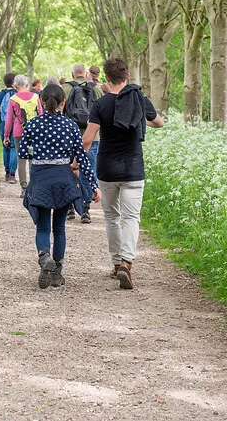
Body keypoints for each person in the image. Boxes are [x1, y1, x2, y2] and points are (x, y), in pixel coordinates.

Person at [82, 57, 164, 290]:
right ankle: (127, 261)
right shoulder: (139, 99)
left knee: (111, 217)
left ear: (106, 79)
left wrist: (76, 163)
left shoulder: (100, 104)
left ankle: (117, 264)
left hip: (107, 168)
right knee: (131, 217)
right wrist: (138, 119)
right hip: (133, 169)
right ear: (127, 76)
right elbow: (159, 123)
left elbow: (88, 139)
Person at [20, 84, 100, 289]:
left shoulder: (33, 124)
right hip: (64, 180)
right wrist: (94, 185)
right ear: (64, 102)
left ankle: (44, 256)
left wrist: (38, 154)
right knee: (60, 228)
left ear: (41, 102)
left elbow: (22, 153)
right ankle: (57, 273)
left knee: (44, 226)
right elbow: (82, 158)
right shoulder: (71, 125)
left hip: (41, 179)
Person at [62, 63, 103, 224]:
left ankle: (70, 206)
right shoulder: (96, 89)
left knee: (68, 170)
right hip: (93, 137)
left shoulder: (64, 89)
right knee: (89, 171)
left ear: (72, 75)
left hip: (68, 137)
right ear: (85, 74)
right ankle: (85, 209)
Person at [3, 75, 43, 194]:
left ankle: (24, 188)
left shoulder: (13, 99)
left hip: (19, 131)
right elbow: (40, 115)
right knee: (33, 159)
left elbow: (9, 119)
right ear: (27, 85)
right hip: (35, 131)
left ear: (15, 86)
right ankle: (33, 187)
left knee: (21, 159)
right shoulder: (36, 97)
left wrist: (6, 135)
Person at [0, 72, 18, 183]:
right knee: (14, 147)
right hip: (15, 123)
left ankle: (6, 172)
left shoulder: (0, 95)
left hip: (3, 123)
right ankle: (12, 175)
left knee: (5, 146)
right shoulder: (17, 93)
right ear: (14, 82)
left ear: (5, 82)